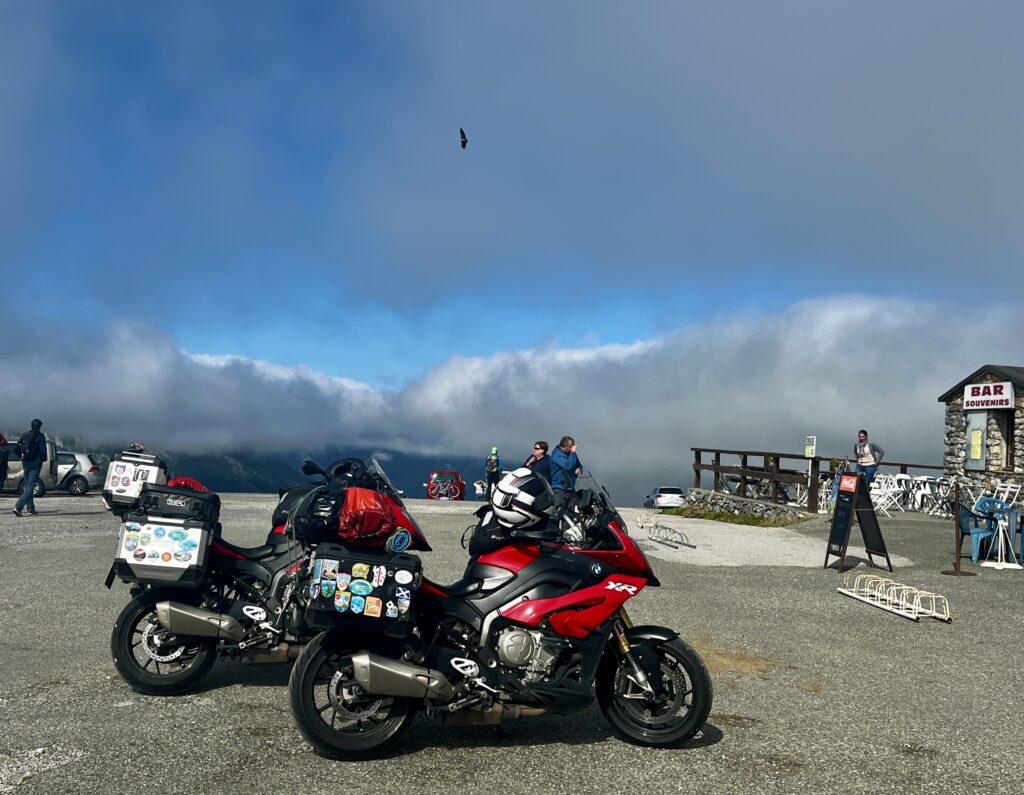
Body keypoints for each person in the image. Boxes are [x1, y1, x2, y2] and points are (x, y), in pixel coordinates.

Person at [13, 419, 47, 517]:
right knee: (30, 486)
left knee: (28, 486)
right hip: (35, 465)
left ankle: (30, 508)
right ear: (39, 426)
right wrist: (42, 460)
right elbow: (43, 452)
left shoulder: (25, 435)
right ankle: (18, 507)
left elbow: (16, 448)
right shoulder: (40, 436)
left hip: (26, 464)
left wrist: (22, 456)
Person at [550, 435, 583, 511]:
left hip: (570, 489)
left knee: (569, 514)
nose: (572, 448)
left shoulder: (571, 454)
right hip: (559, 489)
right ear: (564, 446)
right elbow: (567, 466)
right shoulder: (556, 455)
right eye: (571, 447)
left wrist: (580, 468)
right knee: (557, 514)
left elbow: (578, 464)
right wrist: (573, 453)